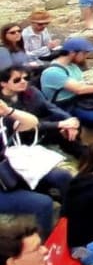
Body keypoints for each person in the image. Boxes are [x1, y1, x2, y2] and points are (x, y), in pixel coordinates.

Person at [0, 94, 70, 235]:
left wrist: (8, 111)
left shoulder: (3, 122)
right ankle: (43, 242)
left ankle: (71, 214)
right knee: (43, 203)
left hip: (11, 170)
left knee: (62, 176)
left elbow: (31, 123)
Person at [2, 66, 84, 160]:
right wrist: (60, 124)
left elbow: (50, 107)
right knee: (60, 129)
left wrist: (69, 120)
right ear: (3, 83)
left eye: (26, 78)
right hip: (20, 135)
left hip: (40, 125)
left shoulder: (31, 91)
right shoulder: (3, 105)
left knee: (73, 123)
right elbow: (22, 125)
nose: (23, 81)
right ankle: (83, 156)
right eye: (17, 80)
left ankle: (82, 156)